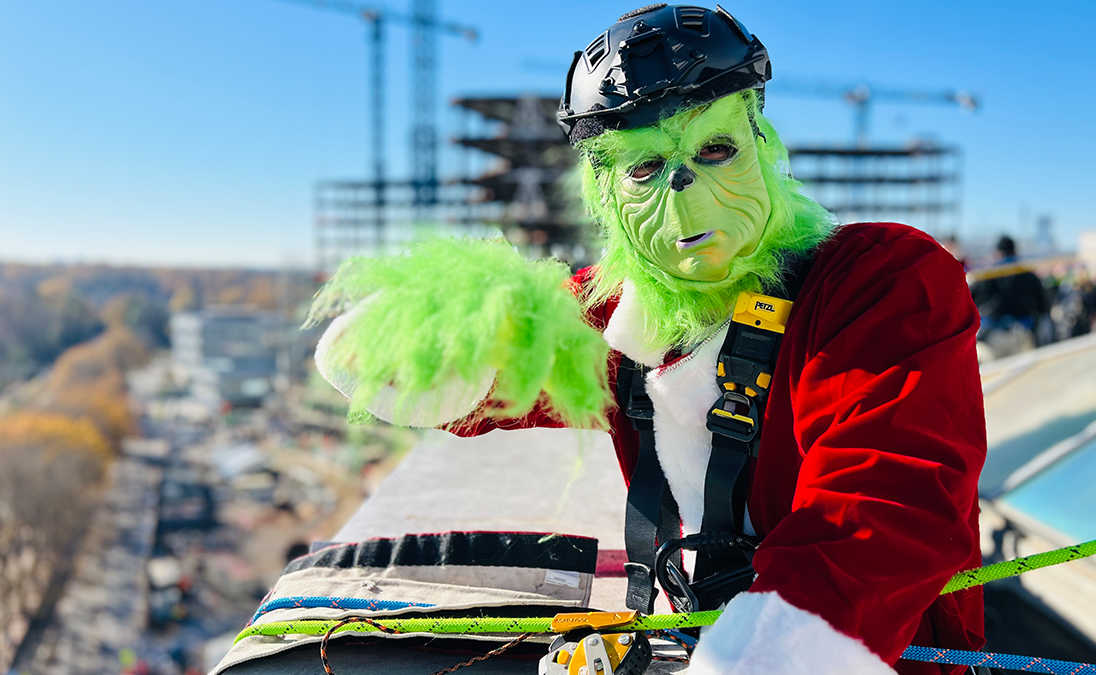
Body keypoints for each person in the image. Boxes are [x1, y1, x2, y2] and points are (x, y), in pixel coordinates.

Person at [311, 5, 985, 674]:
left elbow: (879, 516)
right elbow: (443, 377)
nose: (686, 192)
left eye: (716, 149)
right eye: (644, 168)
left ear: (761, 140)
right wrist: (439, 328)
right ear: (602, 190)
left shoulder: (881, 283)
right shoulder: (617, 318)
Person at [970, 235, 1049, 356]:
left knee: (995, 373)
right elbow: (1044, 306)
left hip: (992, 336)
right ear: (1015, 252)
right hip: (1022, 335)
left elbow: (968, 301)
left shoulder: (987, 275)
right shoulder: (1027, 275)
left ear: (997, 253)